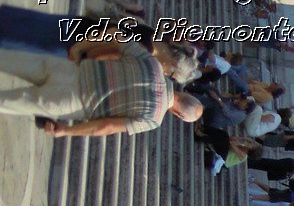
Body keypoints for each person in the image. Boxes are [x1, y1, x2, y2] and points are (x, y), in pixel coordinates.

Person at [0, 41, 202, 137]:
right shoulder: (153, 119)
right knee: (5, 102)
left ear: (184, 92)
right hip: (72, 101)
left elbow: (117, 39)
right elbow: (106, 126)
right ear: (179, 115)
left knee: (7, 59)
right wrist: (66, 130)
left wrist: (84, 51)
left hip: (72, 69)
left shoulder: (154, 64)